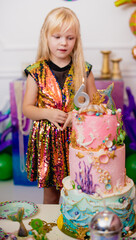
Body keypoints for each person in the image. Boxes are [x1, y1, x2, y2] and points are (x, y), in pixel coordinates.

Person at [22, 7, 97, 204]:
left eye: (70, 37)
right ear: (45, 37)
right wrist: (48, 113)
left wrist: (79, 115)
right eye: (57, 36)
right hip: (47, 143)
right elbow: (27, 108)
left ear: (76, 40)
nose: (63, 42)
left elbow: (97, 104)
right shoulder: (35, 71)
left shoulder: (84, 70)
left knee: (79, 189)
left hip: (77, 140)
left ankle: (76, 225)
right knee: (52, 194)